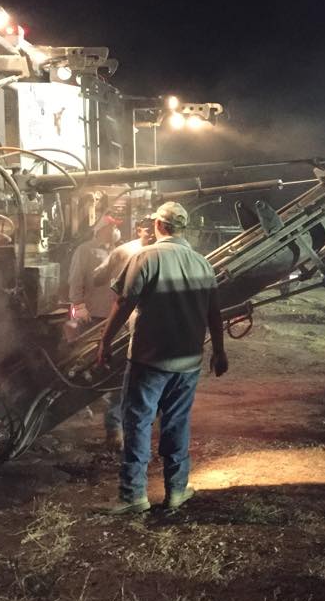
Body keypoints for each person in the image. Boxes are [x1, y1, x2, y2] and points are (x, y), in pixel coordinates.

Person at [96, 201, 228, 514]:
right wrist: (220, 351)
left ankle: (134, 496)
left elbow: (124, 302)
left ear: (159, 225)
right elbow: (214, 313)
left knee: (138, 424)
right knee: (176, 424)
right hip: (187, 363)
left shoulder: (146, 257)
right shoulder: (202, 263)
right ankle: (177, 491)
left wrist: (104, 342)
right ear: (182, 228)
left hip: (148, 360)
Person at [92, 216, 156, 449]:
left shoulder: (150, 252)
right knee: (121, 376)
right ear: (139, 229)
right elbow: (98, 277)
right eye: (145, 227)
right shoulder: (124, 252)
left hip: (146, 323)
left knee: (145, 377)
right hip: (128, 321)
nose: (149, 231)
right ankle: (115, 430)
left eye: (153, 226)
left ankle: (136, 427)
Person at [68, 215, 119, 325]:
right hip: (92, 313)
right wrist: (79, 306)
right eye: (112, 227)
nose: (115, 231)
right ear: (101, 229)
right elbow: (76, 278)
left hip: (112, 312)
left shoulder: (115, 250)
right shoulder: (85, 250)